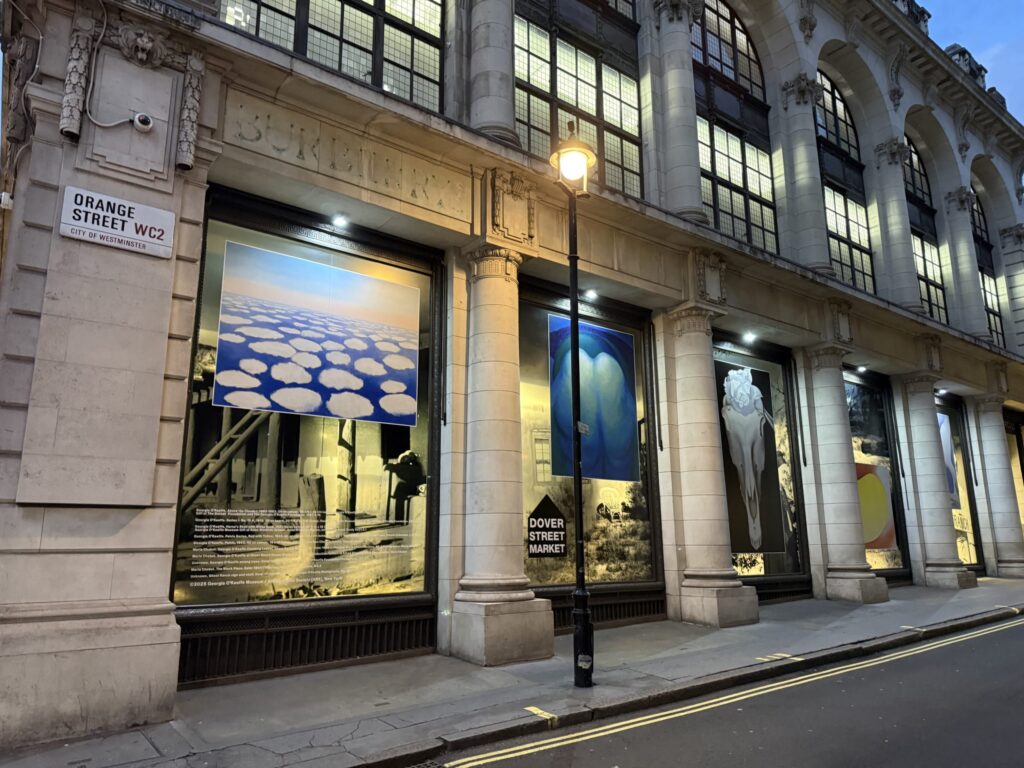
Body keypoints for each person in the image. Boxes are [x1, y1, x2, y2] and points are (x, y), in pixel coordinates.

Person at [385, 450, 425, 524]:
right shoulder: (417, 466)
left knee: (400, 489)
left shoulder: (403, 467)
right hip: (416, 487)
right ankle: (399, 520)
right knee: (401, 488)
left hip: (411, 488)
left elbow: (389, 467)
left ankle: (399, 520)